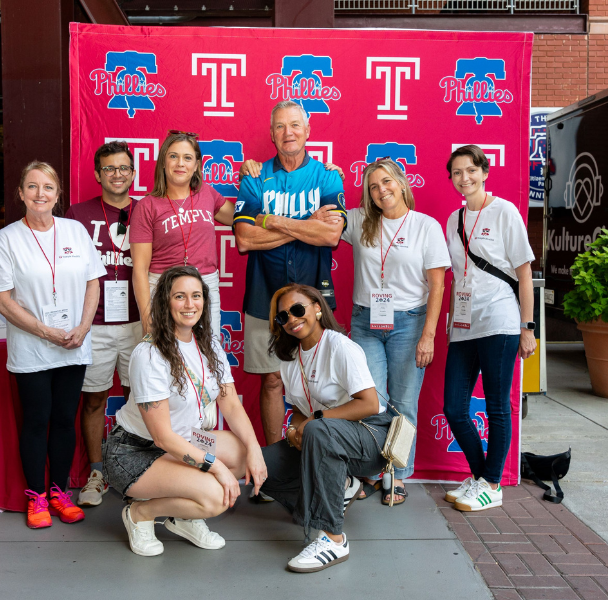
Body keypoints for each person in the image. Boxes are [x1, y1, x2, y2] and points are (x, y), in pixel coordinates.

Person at [102, 266, 266, 557]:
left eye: (196, 296)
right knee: (217, 496)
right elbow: (163, 437)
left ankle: (184, 517)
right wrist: (215, 467)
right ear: (166, 302)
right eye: (180, 296)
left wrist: (255, 448)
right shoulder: (149, 354)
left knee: (242, 454)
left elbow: (230, 403)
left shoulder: (210, 344)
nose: (190, 305)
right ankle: (140, 513)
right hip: (137, 451)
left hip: (185, 439)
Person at [0, 161, 107, 529]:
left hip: (73, 344)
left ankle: (60, 493)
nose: (41, 194)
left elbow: (92, 282)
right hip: (32, 348)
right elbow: (1, 300)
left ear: (58, 194)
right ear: (21, 193)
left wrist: (84, 326)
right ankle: (37, 497)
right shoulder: (6, 240)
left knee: (63, 421)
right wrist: (45, 331)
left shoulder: (74, 231)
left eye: (48, 188)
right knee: (37, 421)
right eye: (33, 187)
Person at [234, 100, 346, 447]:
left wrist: (273, 221)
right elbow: (244, 239)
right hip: (262, 296)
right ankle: (271, 463)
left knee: (319, 383)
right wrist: (306, 223)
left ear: (308, 131)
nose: (288, 133)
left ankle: (315, 454)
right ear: (271, 134)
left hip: (313, 300)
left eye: (295, 125)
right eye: (281, 126)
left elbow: (330, 234)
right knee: (270, 382)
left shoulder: (327, 176)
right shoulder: (255, 179)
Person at [260, 283, 392, 573]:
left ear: (317, 308)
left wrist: (316, 420)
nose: (292, 319)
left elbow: (369, 403)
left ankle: (333, 538)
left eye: (297, 310)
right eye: (283, 317)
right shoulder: (291, 359)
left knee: (319, 430)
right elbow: (298, 411)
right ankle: (339, 489)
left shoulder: (339, 346)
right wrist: (295, 431)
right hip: (326, 436)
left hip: (370, 436)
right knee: (260, 467)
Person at [341, 158, 450, 506]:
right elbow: (323, 215)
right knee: (370, 402)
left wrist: (428, 335)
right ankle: (375, 470)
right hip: (365, 321)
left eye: (386, 182)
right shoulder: (359, 220)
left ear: (401, 184)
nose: (381, 190)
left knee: (403, 404)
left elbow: (438, 286)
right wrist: (328, 174)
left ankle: (398, 474)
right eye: (373, 186)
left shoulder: (425, 226)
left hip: (409, 322)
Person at [442, 145, 536, 512]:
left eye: (470, 171)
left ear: (484, 171)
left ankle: (492, 484)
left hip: (500, 320)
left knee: (497, 406)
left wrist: (527, 327)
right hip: (465, 326)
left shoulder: (504, 212)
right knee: (454, 408)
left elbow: (524, 274)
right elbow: (456, 278)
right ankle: (481, 476)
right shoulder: (454, 220)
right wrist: (451, 326)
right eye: (456, 173)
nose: (464, 178)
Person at [65, 141, 143, 507]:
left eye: (123, 168)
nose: (116, 174)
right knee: (94, 399)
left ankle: (134, 470)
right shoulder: (76, 214)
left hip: (137, 323)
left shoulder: (146, 211)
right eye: (109, 168)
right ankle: (96, 472)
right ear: (97, 174)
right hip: (92, 324)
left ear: (133, 172)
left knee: (139, 399)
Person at [129, 131, 235, 332]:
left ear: (196, 166)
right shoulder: (147, 206)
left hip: (204, 286)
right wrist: (146, 317)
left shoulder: (207, 193)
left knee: (206, 354)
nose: (180, 163)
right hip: (164, 288)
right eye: (173, 156)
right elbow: (140, 270)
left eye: (187, 158)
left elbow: (239, 218)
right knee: (165, 358)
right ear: (163, 162)